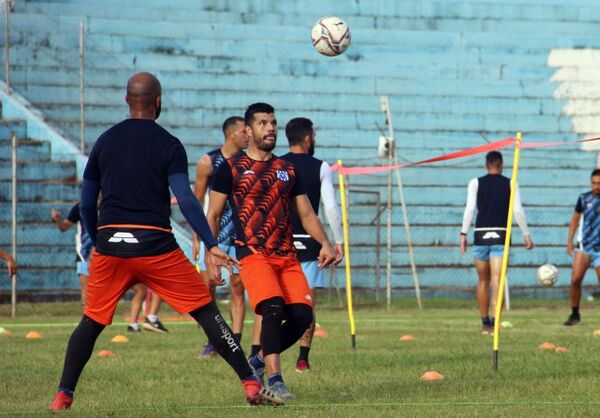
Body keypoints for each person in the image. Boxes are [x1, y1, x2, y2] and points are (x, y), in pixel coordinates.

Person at [50, 73, 281, 411]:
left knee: (92, 320)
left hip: (111, 245)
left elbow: (86, 202)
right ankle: (249, 382)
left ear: (127, 101)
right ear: (158, 102)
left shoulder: (104, 141)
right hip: (156, 246)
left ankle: (63, 395)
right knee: (205, 312)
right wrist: (210, 243)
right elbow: (186, 200)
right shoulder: (169, 143)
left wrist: (99, 238)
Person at [206, 102, 337, 399]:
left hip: (287, 256)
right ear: (248, 131)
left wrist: (327, 244)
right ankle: (275, 379)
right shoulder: (230, 168)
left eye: (274, 123)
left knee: (303, 316)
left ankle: (256, 360)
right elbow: (213, 214)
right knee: (272, 308)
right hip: (253, 254)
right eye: (263, 123)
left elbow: (306, 214)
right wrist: (210, 252)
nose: (271, 128)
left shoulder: (287, 169)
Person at [249, 117, 344, 372]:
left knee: (268, 306)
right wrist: (337, 241)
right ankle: (302, 359)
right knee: (306, 304)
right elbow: (330, 208)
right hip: (310, 244)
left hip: (276, 244)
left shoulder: (275, 165)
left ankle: (256, 353)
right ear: (308, 138)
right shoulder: (320, 167)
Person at [193, 116, 249, 356]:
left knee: (238, 287)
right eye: (244, 132)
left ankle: (235, 340)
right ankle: (214, 339)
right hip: (213, 233)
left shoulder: (250, 162)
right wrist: (198, 236)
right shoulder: (208, 162)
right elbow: (196, 202)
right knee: (209, 287)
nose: (248, 135)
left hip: (241, 234)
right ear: (231, 135)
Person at [460, 151, 534, 334]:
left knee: (483, 281)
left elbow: (470, 209)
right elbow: (518, 211)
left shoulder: (475, 183)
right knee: (498, 281)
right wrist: (526, 234)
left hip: (480, 236)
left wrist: (463, 233)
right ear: (501, 165)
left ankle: (485, 323)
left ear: (486, 165)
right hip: (501, 236)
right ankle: (495, 324)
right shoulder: (511, 183)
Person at [564, 169, 600, 326]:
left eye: (599, 183)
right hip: (584, 247)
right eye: (594, 183)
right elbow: (575, 220)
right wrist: (570, 241)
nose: (596, 186)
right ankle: (574, 314)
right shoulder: (584, 199)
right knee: (575, 279)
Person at [51, 204, 93, 305]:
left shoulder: (107, 204)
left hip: (102, 250)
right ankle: (86, 315)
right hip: (83, 252)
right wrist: (58, 220)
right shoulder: (80, 207)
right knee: (85, 283)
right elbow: (63, 227)